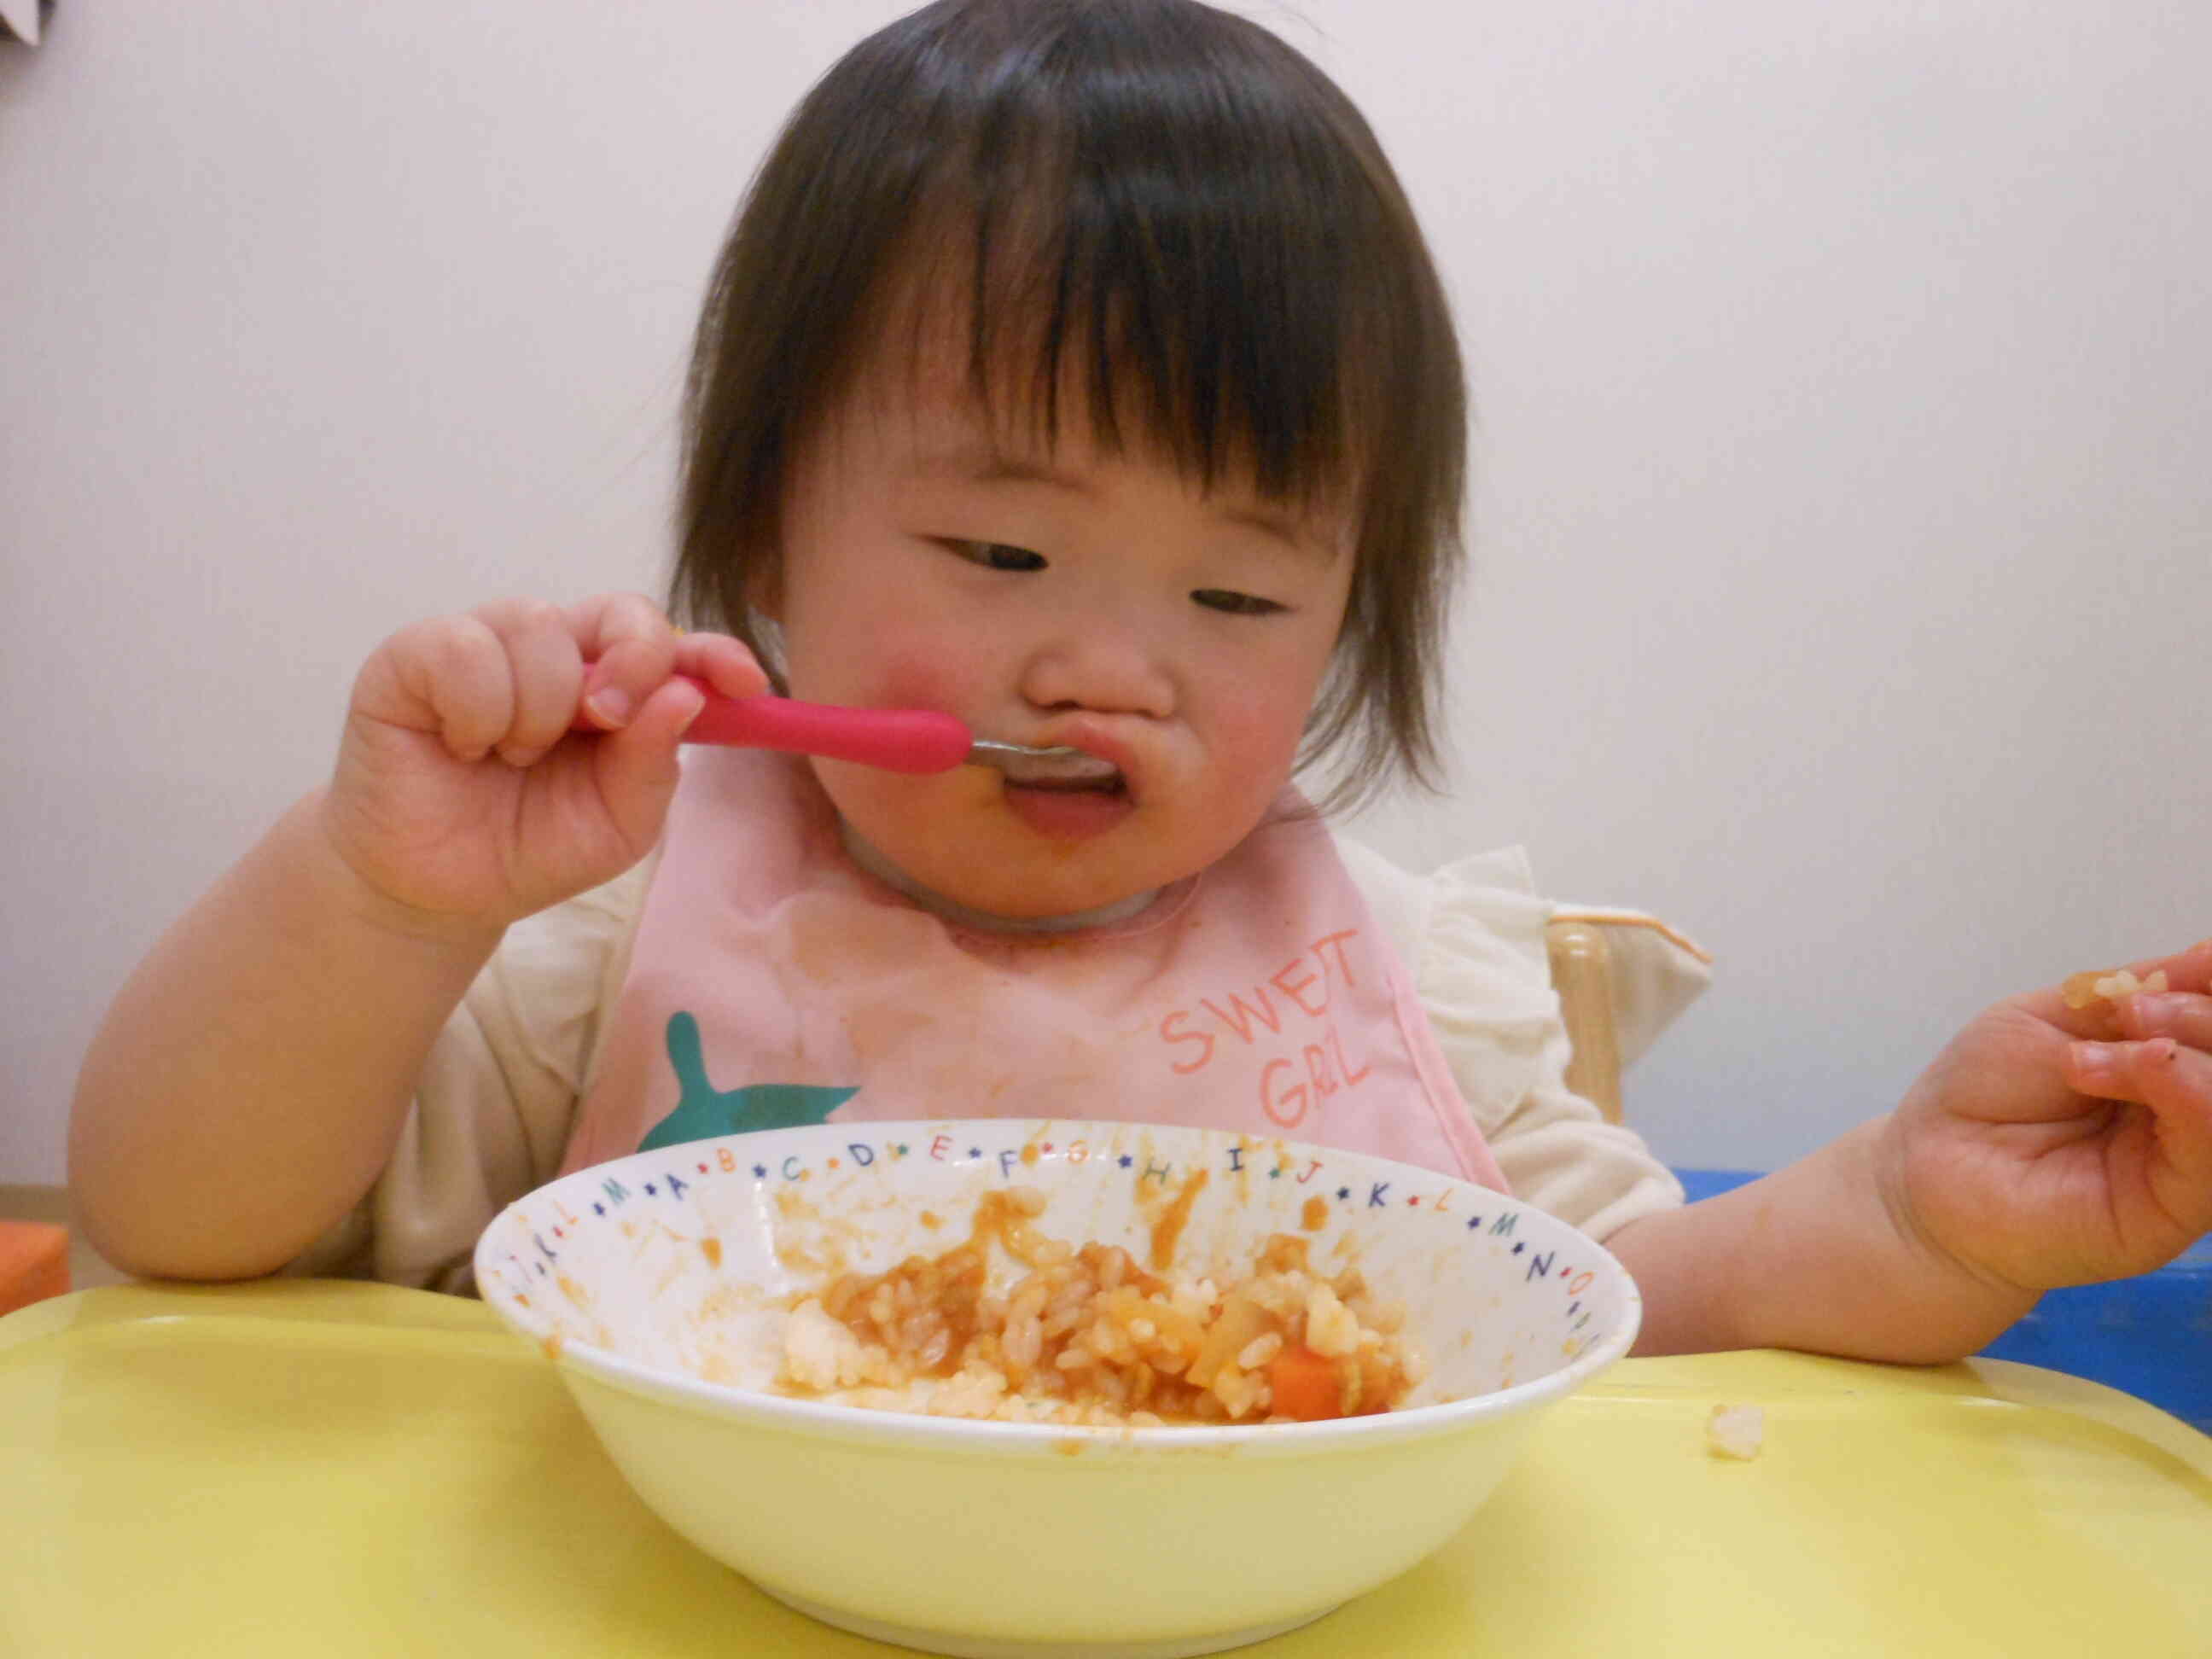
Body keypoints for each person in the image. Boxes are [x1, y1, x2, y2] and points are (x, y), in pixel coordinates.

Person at [70, 0, 2211, 1365]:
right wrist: (379, 899)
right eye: (1000, 551)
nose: (1109, 666)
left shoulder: (1402, 983)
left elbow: (1637, 1317)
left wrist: (1923, 1207)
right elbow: (184, 1232)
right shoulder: (617, 935)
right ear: (760, 545)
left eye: (1245, 595)